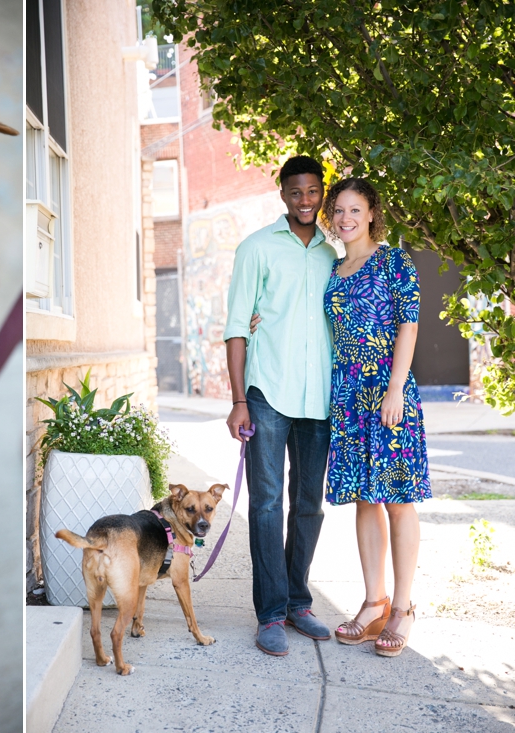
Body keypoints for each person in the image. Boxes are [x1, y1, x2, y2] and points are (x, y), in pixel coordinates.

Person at [223, 156, 337, 656]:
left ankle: (298, 602)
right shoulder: (256, 249)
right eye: (296, 192)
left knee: (309, 505)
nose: (305, 201)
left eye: (313, 192)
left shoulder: (334, 255)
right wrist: (238, 400)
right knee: (266, 505)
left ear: (322, 193)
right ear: (283, 194)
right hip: (268, 394)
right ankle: (270, 613)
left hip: (321, 397)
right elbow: (234, 328)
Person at [322, 178, 430, 656]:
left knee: (397, 501)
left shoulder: (393, 261)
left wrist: (394, 389)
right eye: (338, 210)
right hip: (348, 396)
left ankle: (403, 609)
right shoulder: (334, 267)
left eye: (355, 209)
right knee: (366, 501)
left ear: (370, 214)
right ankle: (373, 604)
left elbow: (409, 323)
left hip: (388, 392)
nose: (345, 218)